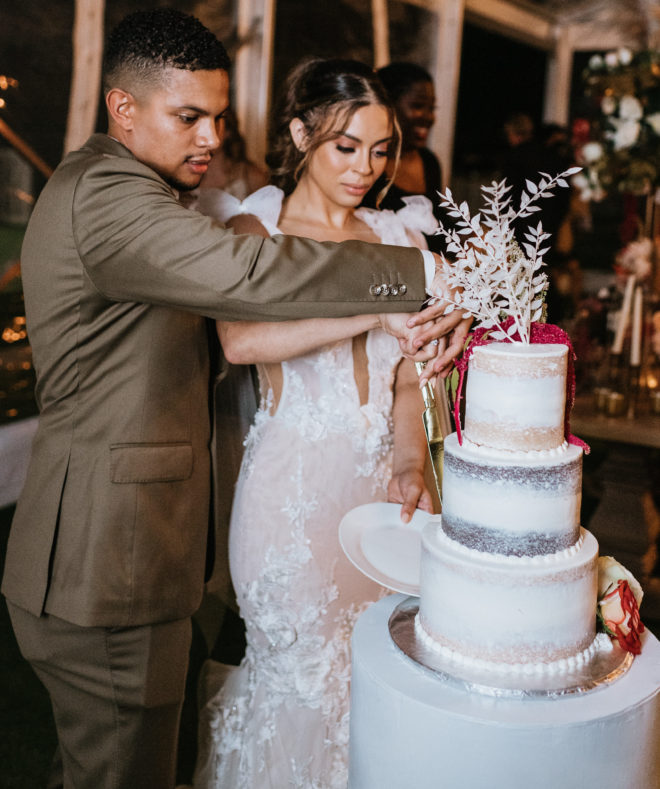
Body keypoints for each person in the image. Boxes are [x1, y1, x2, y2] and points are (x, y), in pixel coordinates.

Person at [0, 9, 469, 789]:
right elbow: (246, 277)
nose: (212, 138)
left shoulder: (128, 188)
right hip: (109, 570)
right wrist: (413, 280)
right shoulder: (110, 198)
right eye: (188, 117)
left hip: (130, 559)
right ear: (123, 108)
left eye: (218, 118)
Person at [192, 57, 441, 789]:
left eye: (380, 148)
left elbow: (403, 381)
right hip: (288, 497)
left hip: (375, 500)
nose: (366, 167)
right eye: (346, 146)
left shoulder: (398, 238)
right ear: (302, 132)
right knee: (300, 680)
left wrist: (410, 462)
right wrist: (370, 306)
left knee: (373, 681)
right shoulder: (255, 229)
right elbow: (239, 341)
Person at [361, 62, 442, 240]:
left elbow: (440, 226)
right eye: (418, 106)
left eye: (432, 108)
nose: (429, 117)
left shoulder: (429, 162)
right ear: (388, 106)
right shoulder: (365, 163)